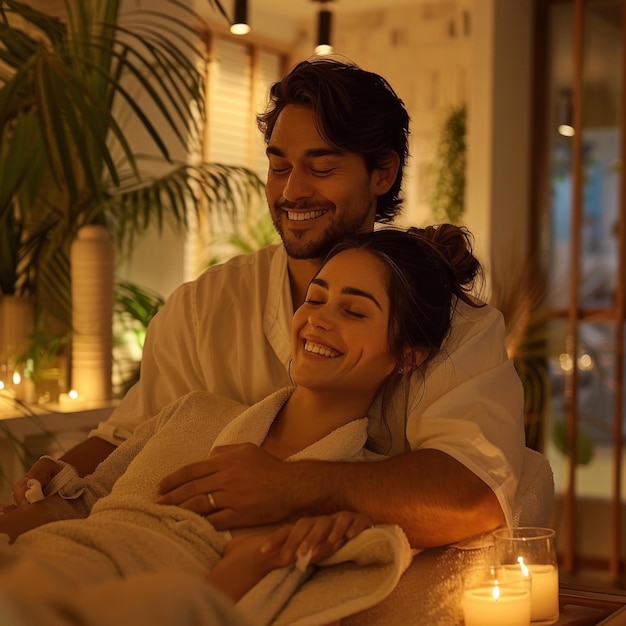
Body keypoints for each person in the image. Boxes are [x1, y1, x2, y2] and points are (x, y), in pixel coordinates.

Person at [9, 58, 525, 552]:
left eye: (321, 167)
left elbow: (475, 493)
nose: (293, 191)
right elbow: (127, 438)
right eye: (279, 167)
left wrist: (291, 485)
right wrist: (58, 476)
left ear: (382, 174)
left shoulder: (452, 327)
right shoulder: (202, 309)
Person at [0, 226, 486, 625]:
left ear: (406, 355)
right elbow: (75, 505)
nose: (317, 320)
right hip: (34, 566)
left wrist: (255, 557)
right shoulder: (194, 412)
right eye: (314, 299)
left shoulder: (345, 503)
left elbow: (220, 612)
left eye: (354, 310)